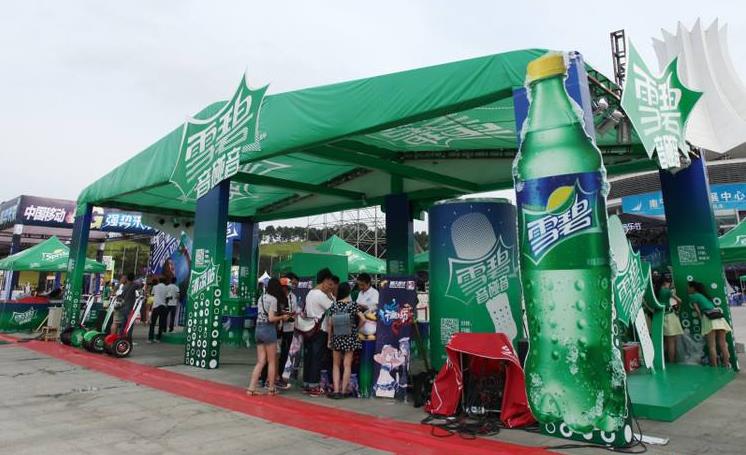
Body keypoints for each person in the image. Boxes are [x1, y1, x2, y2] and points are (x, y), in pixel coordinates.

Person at [247, 278, 291, 396]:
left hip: (258, 329)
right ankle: (271, 389)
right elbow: (271, 318)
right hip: (268, 329)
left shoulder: (261, 297)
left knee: (260, 361)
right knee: (271, 361)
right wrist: (282, 317)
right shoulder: (273, 299)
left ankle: (251, 388)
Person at [328, 282, 364, 399]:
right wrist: (356, 329)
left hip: (337, 337)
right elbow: (363, 319)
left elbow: (330, 324)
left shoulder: (334, 305)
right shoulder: (353, 305)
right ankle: (344, 391)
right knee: (347, 365)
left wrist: (329, 339)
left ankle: (336, 391)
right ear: (348, 292)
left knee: (336, 365)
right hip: (350, 337)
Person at [303, 268, 335, 396]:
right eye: (329, 283)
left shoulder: (310, 293)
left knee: (309, 357)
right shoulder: (321, 295)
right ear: (325, 280)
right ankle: (314, 386)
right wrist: (330, 295)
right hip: (319, 330)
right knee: (317, 358)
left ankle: (307, 383)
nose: (330, 286)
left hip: (308, 329)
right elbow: (335, 307)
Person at [688, 281, 732, 368]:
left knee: (712, 346)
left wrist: (701, 319)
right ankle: (726, 364)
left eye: (688, 287)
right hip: (719, 317)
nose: (687, 289)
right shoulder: (705, 296)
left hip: (708, 318)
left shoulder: (693, 296)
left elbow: (697, 310)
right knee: (723, 345)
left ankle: (714, 366)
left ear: (693, 288)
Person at [655, 277, 683, 363]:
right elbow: (679, 300)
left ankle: (664, 361)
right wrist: (678, 310)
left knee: (664, 341)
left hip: (659, 316)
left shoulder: (656, 291)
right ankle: (672, 362)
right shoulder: (668, 291)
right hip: (669, 316)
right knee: (671, 342)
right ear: (665, 283)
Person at [149, 276, 169, 343]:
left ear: (159, 281)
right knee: (161, 323)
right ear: (165, 281)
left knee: (152, 323)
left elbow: (152, 295)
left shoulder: (155, 287)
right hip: (163, 306)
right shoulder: (167, 288)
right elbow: (168, 297)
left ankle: (150, 338)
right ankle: (158, 338)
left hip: (156, 306)